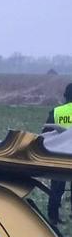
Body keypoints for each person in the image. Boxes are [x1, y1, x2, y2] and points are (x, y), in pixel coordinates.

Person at [47, 83, 72, 224]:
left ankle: (53, 217)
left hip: (59, 155)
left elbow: (46, 133)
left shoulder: (56, 111)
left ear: (65, 96)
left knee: (57, 188)